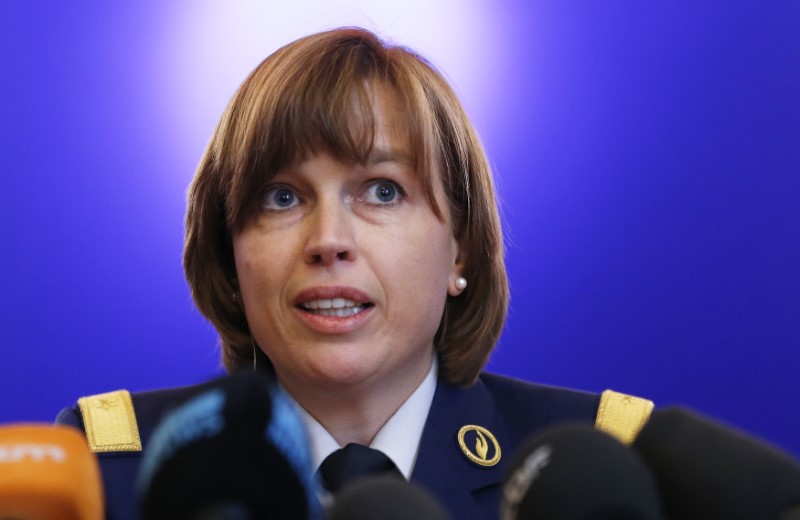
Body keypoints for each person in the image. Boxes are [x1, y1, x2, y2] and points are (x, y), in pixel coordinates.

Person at [57, 27, 653, 519]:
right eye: (281, 198)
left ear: (460, 250)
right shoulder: (112, 472)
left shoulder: (602, 472)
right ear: (230, 252)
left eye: (383, 191)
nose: (328, 242)